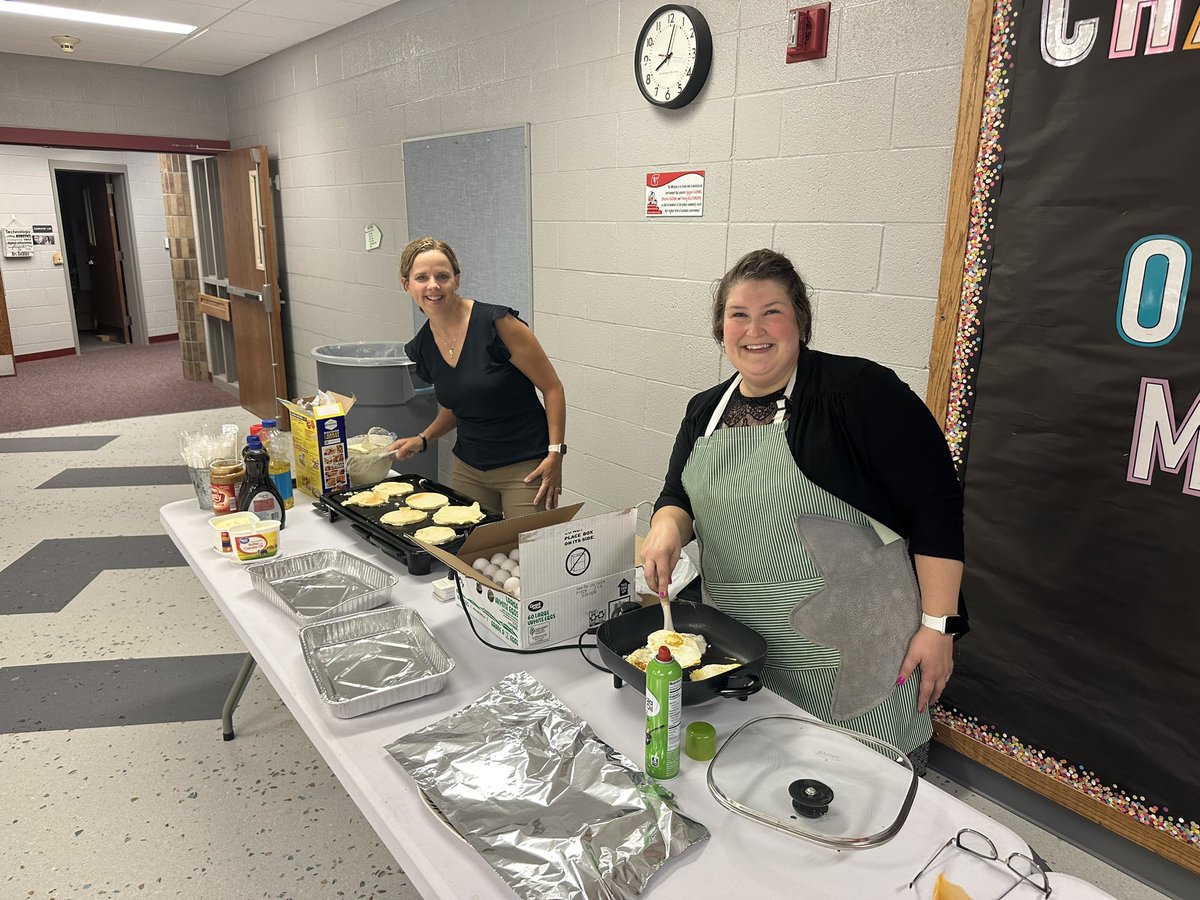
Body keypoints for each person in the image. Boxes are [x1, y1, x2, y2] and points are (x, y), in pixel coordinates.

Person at [640, 249, 965, 770]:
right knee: (761, 783)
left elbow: (938, 507)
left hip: (853, 649)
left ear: (800, 322)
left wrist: (938, 625)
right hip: (746, 644)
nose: (754, 329)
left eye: (772, 311)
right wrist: (665, 529)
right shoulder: (705, 410)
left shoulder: (859, 393)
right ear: (721, 327)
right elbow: (677, 494)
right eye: (738, 314)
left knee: (859, 797)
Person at [388, 237, 566, 516]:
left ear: (456, 281)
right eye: (422, 277)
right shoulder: (422, 346)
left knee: (530, 553)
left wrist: (555, 453)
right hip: (468, 468)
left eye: (442, 276)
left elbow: (552, 388)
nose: (433, 285)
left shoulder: (498, 324)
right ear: (406, 285)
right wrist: (423, 438)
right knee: (472, 553)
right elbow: (457, 404)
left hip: (525, 465)